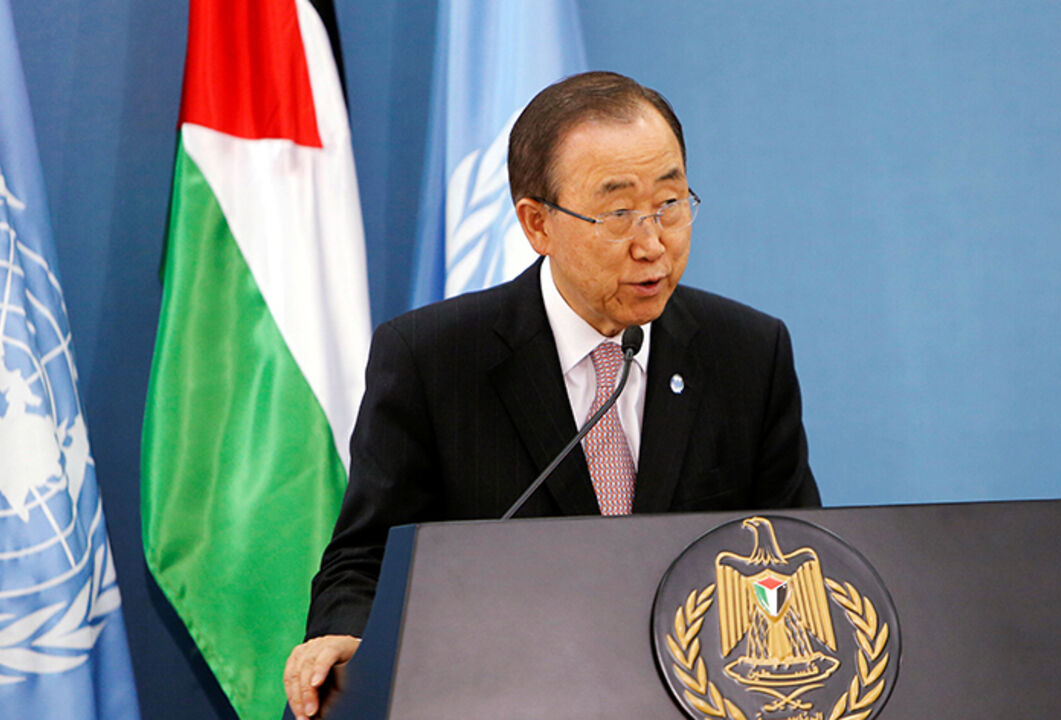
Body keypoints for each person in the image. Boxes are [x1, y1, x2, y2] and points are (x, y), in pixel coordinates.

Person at [283, 71, 820, 719]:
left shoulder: (748, 353)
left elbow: (794, 551)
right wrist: (350, 632)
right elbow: (368, 556)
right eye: (618, 211)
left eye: (670, 204)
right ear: (537, 224)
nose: (652, 244)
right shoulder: (434, 359)